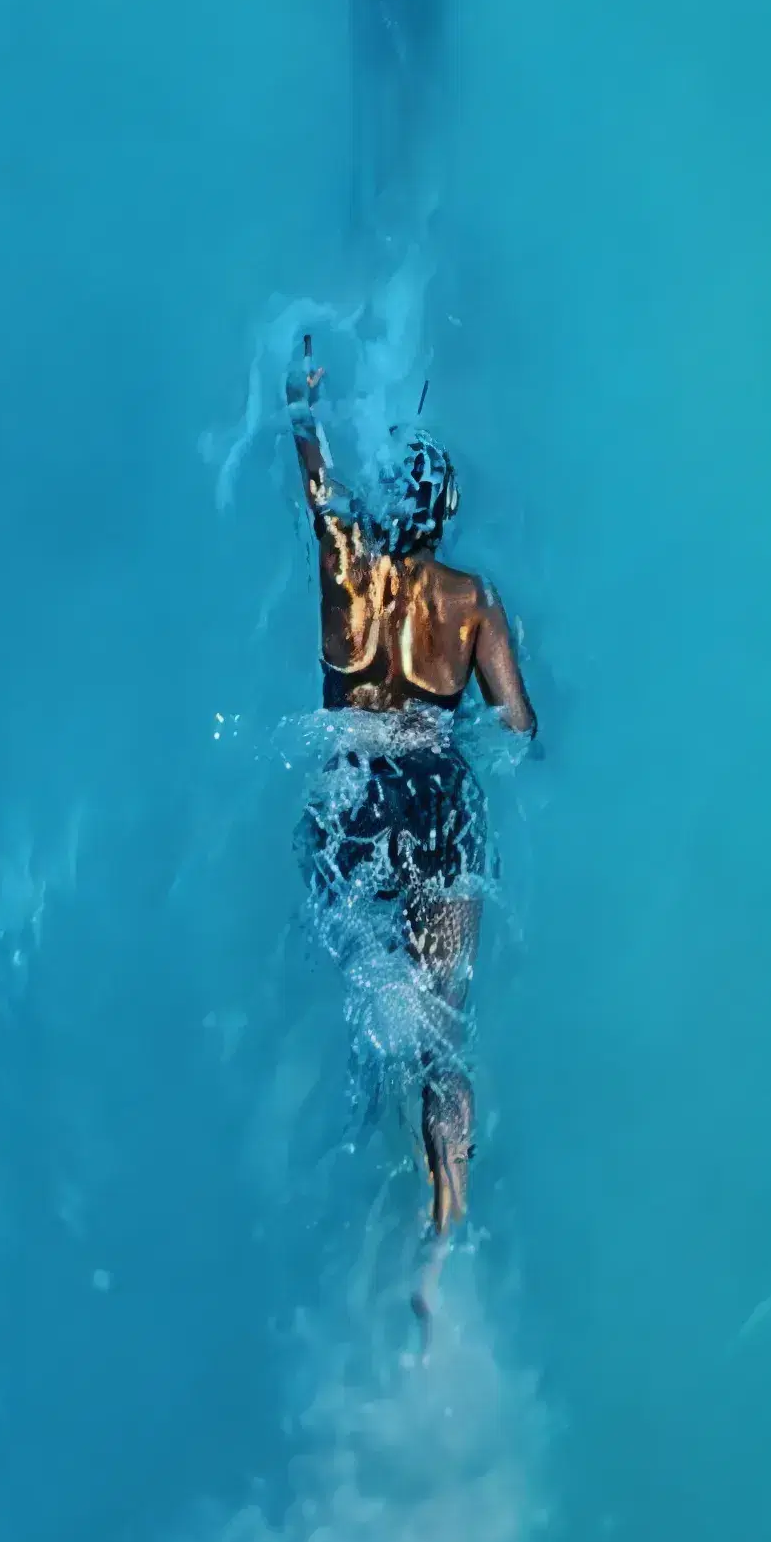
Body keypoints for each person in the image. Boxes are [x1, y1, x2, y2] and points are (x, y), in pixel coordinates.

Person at [297, 349, 536, 1252]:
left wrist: (300, 406)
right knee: (445, 1028)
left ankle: (356, 1155)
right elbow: (518, 727)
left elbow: (316, 487)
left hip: (355, 793)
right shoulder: (472, 602)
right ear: (447, 515)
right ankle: (449, 1220)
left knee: (359, 976)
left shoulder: (345, 572)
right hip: (439, 799)